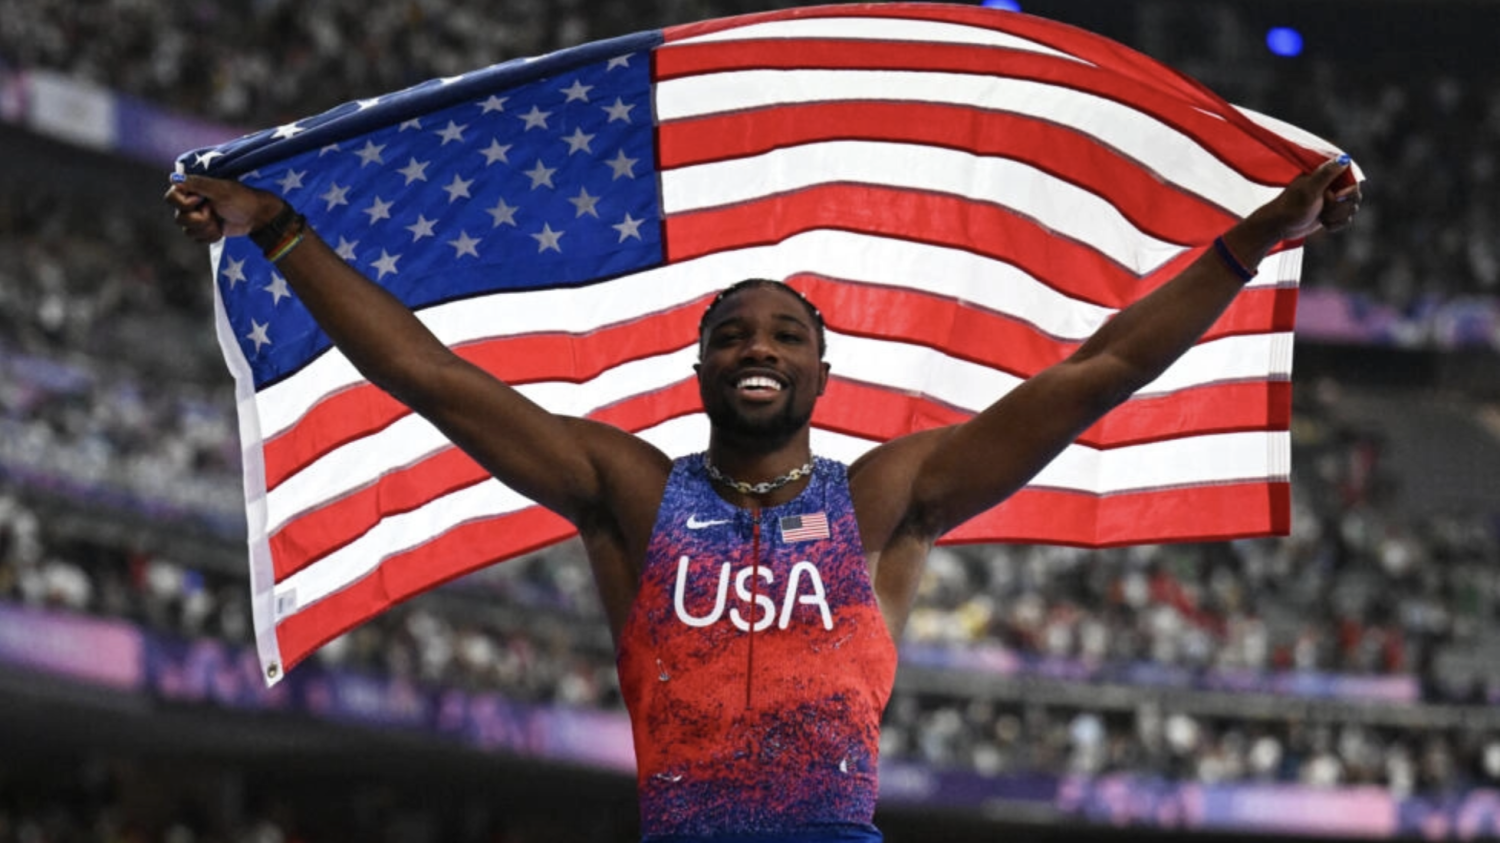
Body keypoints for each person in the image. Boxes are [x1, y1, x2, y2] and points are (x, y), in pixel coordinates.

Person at [166, 157, 1359, 842]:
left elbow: (1100, 372)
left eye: (787, 334)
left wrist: (1249, 244)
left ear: (820, 375)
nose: (760, 345)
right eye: (733, 332)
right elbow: (428, 375)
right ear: (698, 370)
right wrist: (281, 231)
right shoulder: (626, 489)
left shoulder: (888, 496)